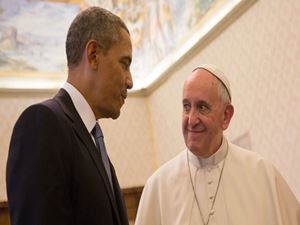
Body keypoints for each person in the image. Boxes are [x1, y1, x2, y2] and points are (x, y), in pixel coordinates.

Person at [6, 6, 133, 225]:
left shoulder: (92, 139)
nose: (130, 81)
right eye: (125, 63)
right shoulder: (41, 124)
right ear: (93, 55)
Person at [135, 64, 300, 225]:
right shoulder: (158, 187)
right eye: (186, 107)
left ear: (226, 116)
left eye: (202, 107)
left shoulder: (262, 174)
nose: (191, 120)